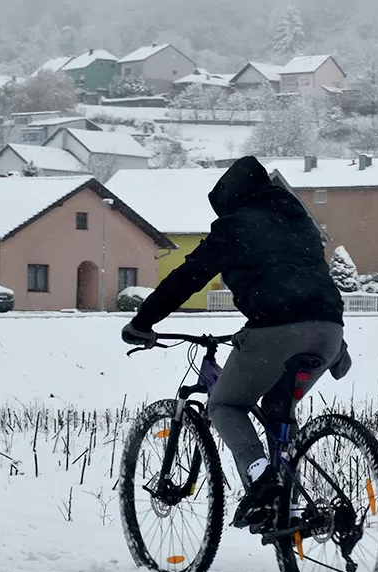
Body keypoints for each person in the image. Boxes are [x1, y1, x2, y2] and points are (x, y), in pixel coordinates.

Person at [122, 156, 349, 530]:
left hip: (276, 330)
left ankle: (262, 479)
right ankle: (284, 510)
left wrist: (144, 321)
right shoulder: (300, 224)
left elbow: (188, 277)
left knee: (225, 403)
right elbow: (309, 281)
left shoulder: (236, 226)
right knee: (278, 407)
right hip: (329, 332)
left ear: (231, 199)